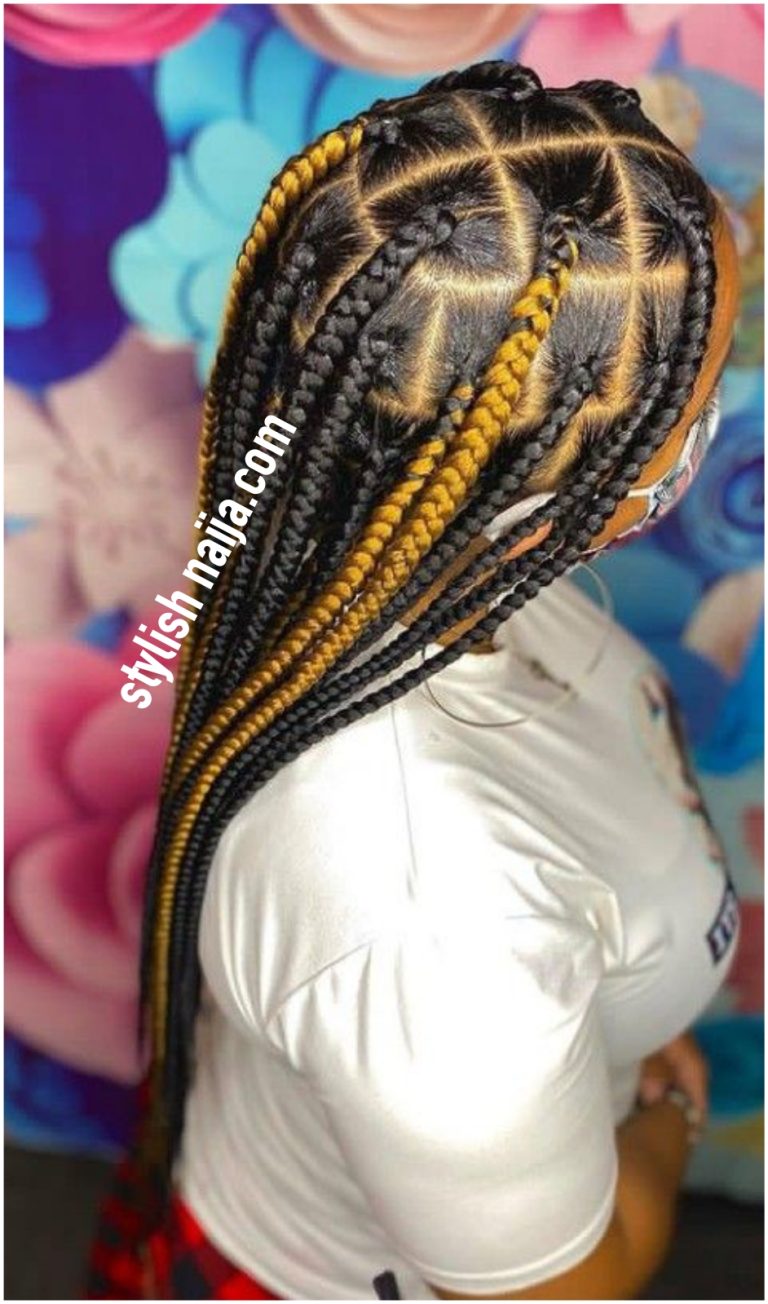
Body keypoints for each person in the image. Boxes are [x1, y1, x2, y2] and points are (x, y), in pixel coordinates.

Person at [87, 60, 741, 1301]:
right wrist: (664, 1119)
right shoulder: (431, 918)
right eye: (693, 403)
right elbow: (572, 1284)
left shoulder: (356, 516)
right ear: (563, 483)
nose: (709, 423)